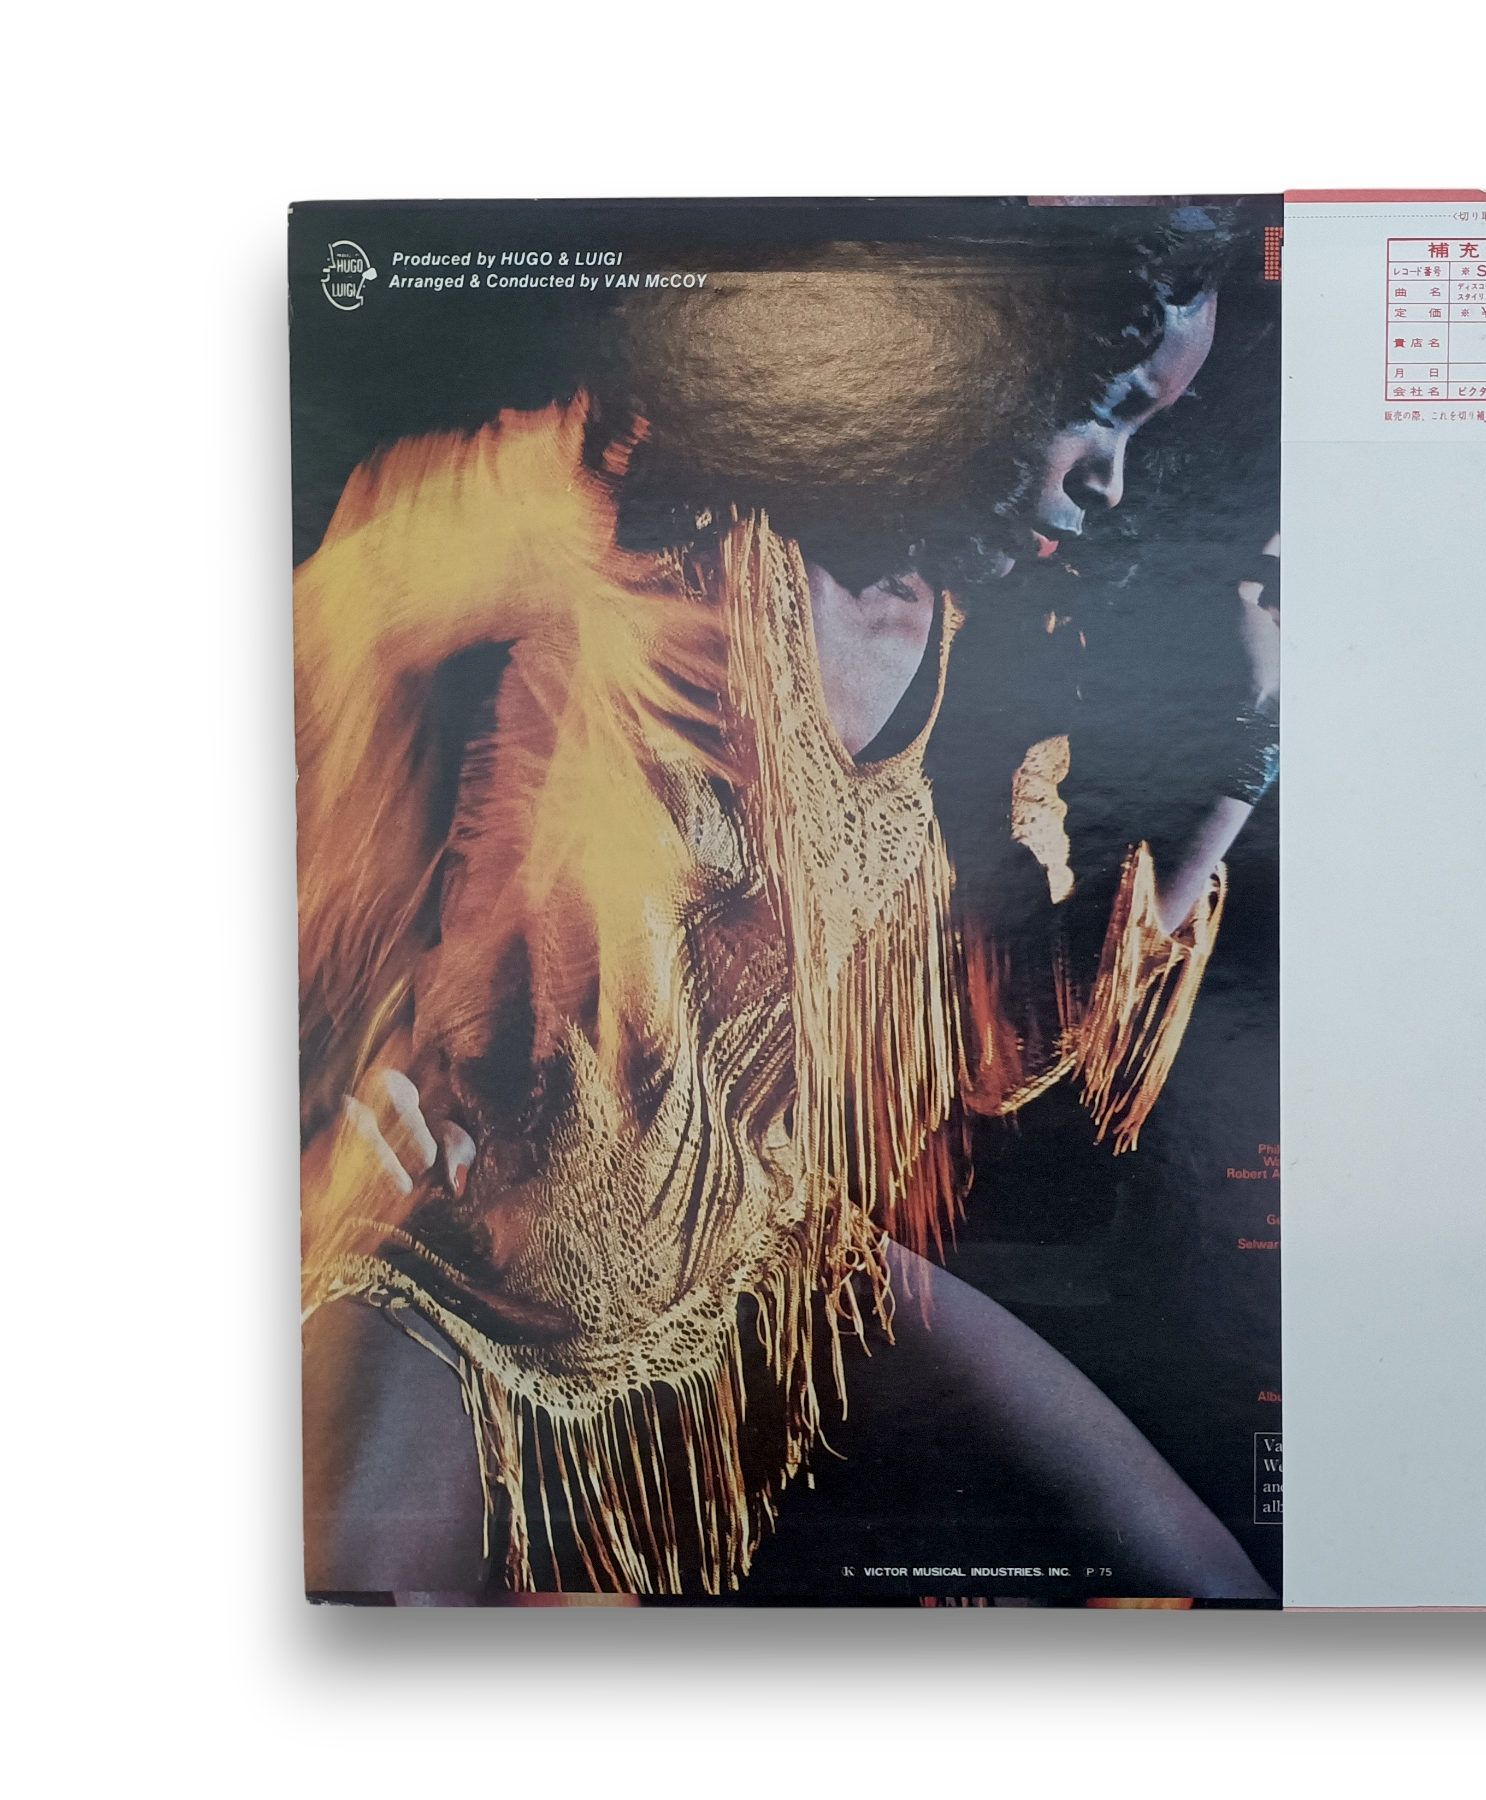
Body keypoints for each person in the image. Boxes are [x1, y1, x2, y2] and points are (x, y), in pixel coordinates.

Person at [299, 214, 1280, 1598]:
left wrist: (1237, 755)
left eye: (1145, 437)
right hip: (468, 1282)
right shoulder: (634, 502)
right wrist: (329, 1051)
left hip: (765, 1258)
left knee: (1201, 1578)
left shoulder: (967, 638)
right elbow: (341, 623)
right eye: (1106, 412)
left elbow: (992, 1050)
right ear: (993, 356)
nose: (1110, 484)